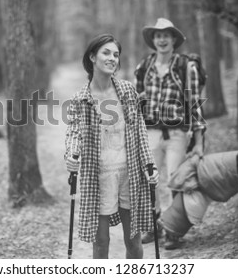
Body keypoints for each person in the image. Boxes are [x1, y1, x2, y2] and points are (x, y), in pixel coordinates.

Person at [65, 33, 159, 259]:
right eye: (106, 53)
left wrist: (150, 165)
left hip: (130, 173)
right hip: (98, 176)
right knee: (101, 242)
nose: (112, 58)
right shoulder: (80, 99)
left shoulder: (127, 91)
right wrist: (71, 154)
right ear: (92, 57)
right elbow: (73, 133)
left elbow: (140, 132)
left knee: (134, 241)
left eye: (116, 54)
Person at [134, 18, 205, 250]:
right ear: (153, 40)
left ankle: (173, 230)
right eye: (157, 36)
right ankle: (153, 225)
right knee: (149, 181)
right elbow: (136, 102)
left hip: (176, 133)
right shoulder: (144, 67)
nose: (162, 40)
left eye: (166, 35)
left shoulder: (186, 67)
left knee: (175, 180)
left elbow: (195, 105)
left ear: (174, 39)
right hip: (150, 132)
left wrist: (198, 142)